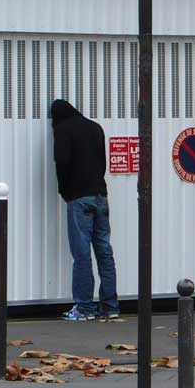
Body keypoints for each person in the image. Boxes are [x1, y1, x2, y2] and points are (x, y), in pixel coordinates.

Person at [51, 99, 118, 321]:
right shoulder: (95, 127)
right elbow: (102, 163)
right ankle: (110, 306)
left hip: (79, 198)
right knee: (104, 251)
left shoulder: (62, 129)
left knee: (82, 254)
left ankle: (85, 308)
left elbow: (62, 162)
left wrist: (64, 190)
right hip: (101, 196)